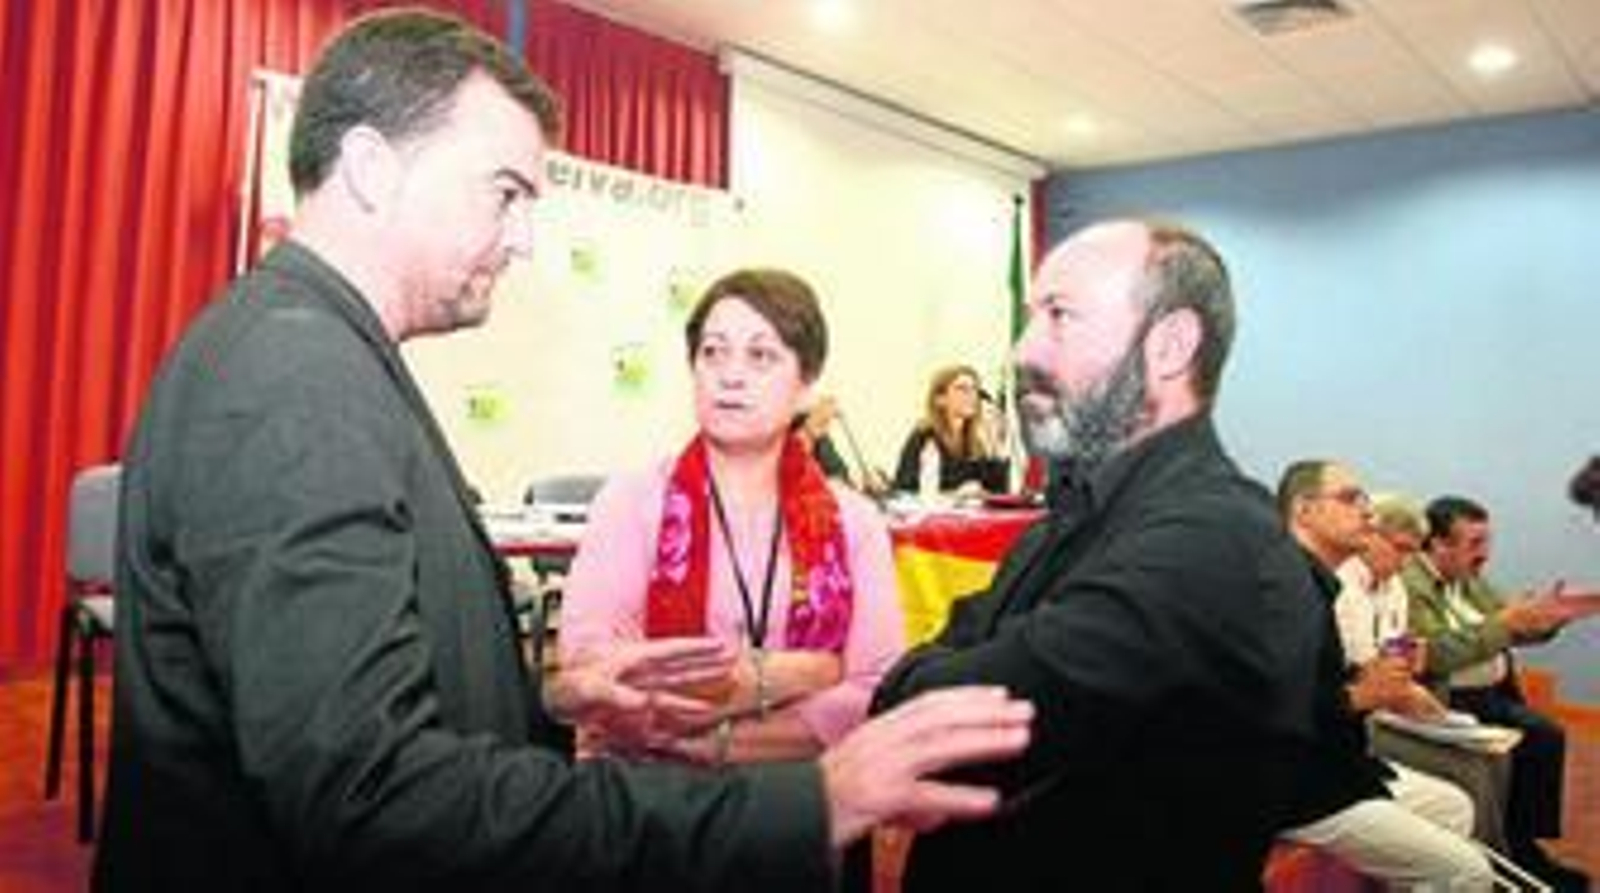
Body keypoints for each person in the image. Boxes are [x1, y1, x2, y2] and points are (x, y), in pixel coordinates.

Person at [92, 11, 1033, 890]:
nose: (525, 240)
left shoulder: (313, 351)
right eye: (506, 193)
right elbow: (369, 794)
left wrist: (554, 695)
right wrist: (811, 801)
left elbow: (362, 707)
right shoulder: (296, 379)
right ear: (374, 167)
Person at [865, 219, 1330, 890]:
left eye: (1060, 316)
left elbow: (936, 736)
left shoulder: (1209, 546)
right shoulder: (1069, 515)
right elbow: (932, 684)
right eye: (1030, 318)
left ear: (1169, 345)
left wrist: (925, 679)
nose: (1022, 348)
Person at [554, 269, 906, 765]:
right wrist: (808, 671)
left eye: (760, 355)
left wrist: (706, 742)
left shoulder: (855, 521)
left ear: (805, 386)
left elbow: (872, 692)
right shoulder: (630, 501)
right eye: (712, 352)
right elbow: (598, 675)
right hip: (651, 801)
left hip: (805, 801)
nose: (730, 374)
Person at [1276, 461, 1492, 890]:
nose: (1367, 514)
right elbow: (1264, 705)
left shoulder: (1316, 580)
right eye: (1351, 499)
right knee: (1468, 871)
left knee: (1454, 806)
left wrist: (1366, 677)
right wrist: (1361, 694)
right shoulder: (1282, 584)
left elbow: (1322, 677)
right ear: (1304, 509)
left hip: (1335, 758)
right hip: (1295, 784)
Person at [1401, 495, 1595, 890]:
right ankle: (1510, 853)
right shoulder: (1410, 585)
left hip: (1492, 694)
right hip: (1445, 703)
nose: (1485, 555)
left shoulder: (1470, 580)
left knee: (1545, 737)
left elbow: (1511, 624)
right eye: (1474, 544)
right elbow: (1434, 654)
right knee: (1528, 742)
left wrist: (1548, 621)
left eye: (1487, 542)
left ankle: (1522, 844)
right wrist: (1508, 622)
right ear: (1438, 545)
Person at [890, 364, 1008, 495]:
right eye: (961, 389)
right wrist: (957, 495)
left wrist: (996, 445)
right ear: (940, 399)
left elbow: (999, 492)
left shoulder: (976, 440)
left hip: (968, 515)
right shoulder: (925, 436)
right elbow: (911, 493)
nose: (971, 395)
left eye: (974, 389)